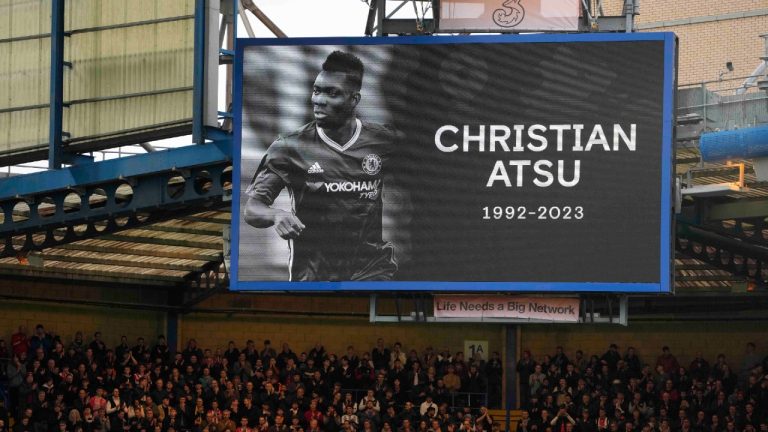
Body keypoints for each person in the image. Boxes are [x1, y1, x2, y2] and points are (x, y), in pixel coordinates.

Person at [244, 50, 399, 282]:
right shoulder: (289, 147)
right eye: (316, 91)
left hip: (373, 269)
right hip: (313, 276)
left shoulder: (383, 140)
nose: (319, 100)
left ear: (354, 99)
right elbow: (252, 209)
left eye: (331, 93)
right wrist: (276, 215)